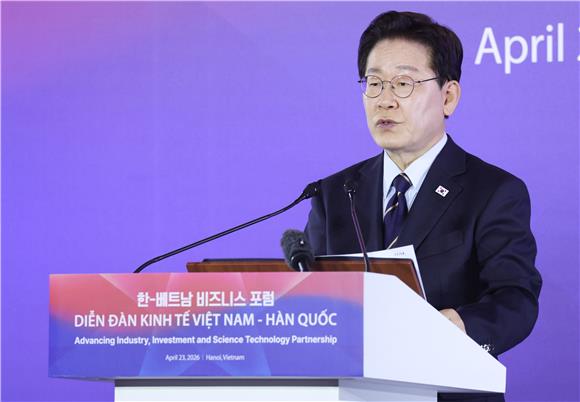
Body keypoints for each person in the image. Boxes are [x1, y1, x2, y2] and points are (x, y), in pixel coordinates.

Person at [304, 11, 542, 402]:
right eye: (374, 83)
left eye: (403, 83)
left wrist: (459, 325)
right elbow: (311, 301)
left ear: (448, 97)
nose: (385, 100)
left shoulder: (493, 191)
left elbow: (516, 299)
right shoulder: (334, 192)